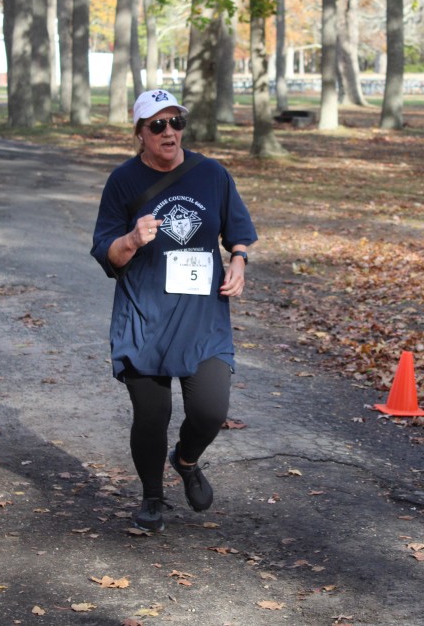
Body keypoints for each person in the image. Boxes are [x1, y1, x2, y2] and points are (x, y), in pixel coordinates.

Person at [90, 89, 257, 533]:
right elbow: (107, 253)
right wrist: (131, 240)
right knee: (151, 416)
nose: (170, 132)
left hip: (203, 317)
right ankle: (152, 496)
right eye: (158, 125)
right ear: (140, 133)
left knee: (210, 411)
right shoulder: (123, 181)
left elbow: (238, 231)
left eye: (176, 122)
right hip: (145, 317)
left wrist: (239, 261)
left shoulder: (211, 174)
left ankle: (184, 459)